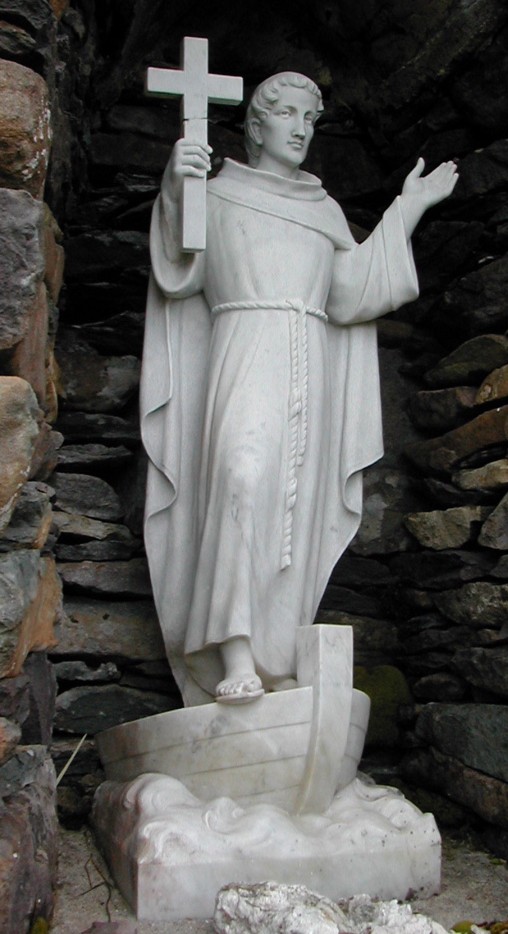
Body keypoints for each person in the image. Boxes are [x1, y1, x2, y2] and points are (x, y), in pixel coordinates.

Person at [140, 72, 457, 707]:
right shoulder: (218, 193)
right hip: (243, 349)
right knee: (240, 476)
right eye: (285, 114)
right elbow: (178, 267)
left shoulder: (323, 210)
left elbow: (350, 294)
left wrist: (408, 208)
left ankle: (272, 657)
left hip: (309, 365)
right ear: (255, 127)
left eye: (309, 118)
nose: (300, 128)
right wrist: (178, 184)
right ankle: (231, 650)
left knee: (295, 512)